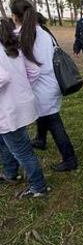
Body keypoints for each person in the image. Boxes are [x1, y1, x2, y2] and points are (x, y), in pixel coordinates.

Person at [11, 0, 78, 172]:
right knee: (45, 114)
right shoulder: (41, 31)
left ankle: (70, 158)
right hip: (51, 83)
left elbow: (29, 69)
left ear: (14, 16)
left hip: (41, 85)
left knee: (54, 121)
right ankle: (40, 139)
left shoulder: (20, 34)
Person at [0, 18, 49, 198]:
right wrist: (23, 88)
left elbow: (3, 78)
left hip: (8, 110)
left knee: (22, 150)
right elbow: (34, 71)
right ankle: (11, 173)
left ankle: (38, 186)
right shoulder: (14, 48)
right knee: (5, 142)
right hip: (22, 104)